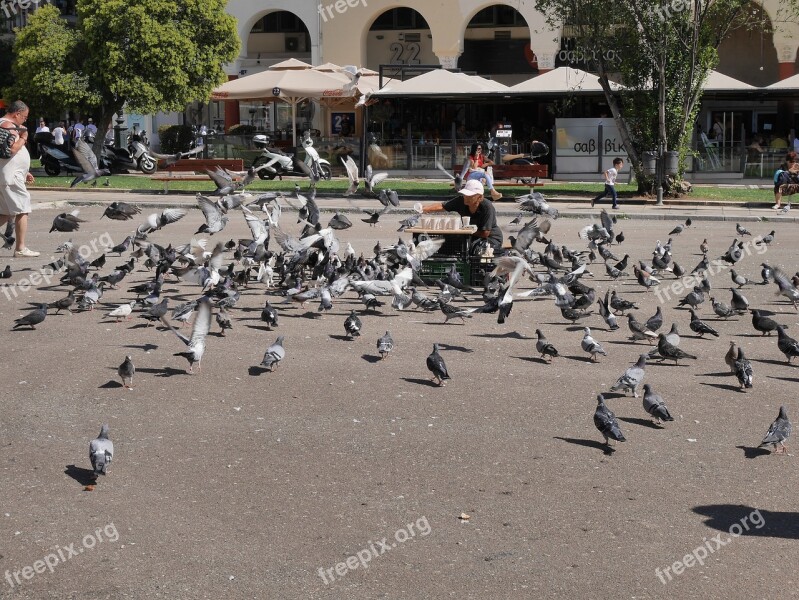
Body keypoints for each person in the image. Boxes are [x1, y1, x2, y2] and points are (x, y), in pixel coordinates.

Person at [417, 179, 503, 254]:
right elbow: (443, 206)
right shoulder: (461, 201)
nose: (466, 197)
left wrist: (465, 231)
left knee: (473, 249)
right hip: (471, 236)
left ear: (479, 198)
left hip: (491, 239)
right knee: (446, 242)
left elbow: (485, 233)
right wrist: (423, 209)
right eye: (465, 194)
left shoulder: (487, 207)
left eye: (470, 195)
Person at [0, 100, 39, 257]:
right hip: (10, 177)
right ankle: (20, 248)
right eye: (24, 117)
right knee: (23, 208)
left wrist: (24, 171)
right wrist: (24, 137)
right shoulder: (8, 125)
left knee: (5, 212)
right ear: (17, 114)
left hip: (9, 175)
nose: (25, 120)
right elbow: (9, 150)